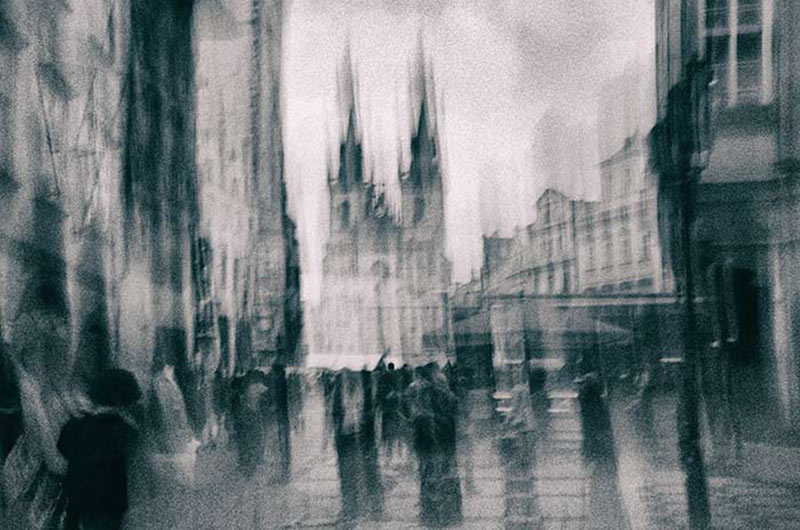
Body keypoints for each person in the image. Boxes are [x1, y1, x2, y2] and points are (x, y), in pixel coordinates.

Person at [58, 369, 142, 530]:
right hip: (113, 506)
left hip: (83, 505)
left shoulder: (77, 426)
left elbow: (59, 458)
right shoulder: (127, 430)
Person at [407, 363, 463, 527]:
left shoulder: (426, 392)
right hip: (443, 438)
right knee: (444, 471)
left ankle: (434, 512)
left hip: (433, 439)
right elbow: (454, 409)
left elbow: (420, 415)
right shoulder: (442, 393)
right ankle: (448, 512)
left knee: (431, 472)